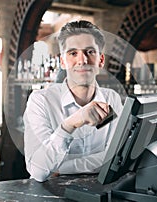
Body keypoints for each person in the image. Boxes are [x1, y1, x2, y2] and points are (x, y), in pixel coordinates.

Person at [23, 20, 123, 182]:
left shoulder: (112, 99)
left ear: (101, 60)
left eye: (90, 52)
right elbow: (38, 171)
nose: (82, 60)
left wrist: (60, 168)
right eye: (73, 53)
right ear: (62, 61)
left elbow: (115, 157)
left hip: (99, 191)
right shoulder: (40, 101)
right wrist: (69, 125)